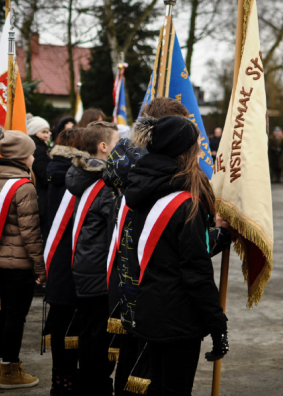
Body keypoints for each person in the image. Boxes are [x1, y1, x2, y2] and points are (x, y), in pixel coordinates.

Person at [125, 116, 228, 396]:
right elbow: (196, 272)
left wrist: (218, 235)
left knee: (157, 387)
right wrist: (218, 325)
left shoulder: (143, 186)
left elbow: (167, 249)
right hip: (178, 318)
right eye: (196, 145)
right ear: (184, 151)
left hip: (148, 309)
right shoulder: (185, 203)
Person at [0, 126, 45, 389]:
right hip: (19, 264)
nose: (34, 158)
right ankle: (10, 371)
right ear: (21, 157)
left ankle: (1, 365)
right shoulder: (24, 187)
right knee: (16, 318)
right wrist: (40, 268)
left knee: (4, 314)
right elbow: (31, 234)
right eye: (31, 154)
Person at [66, 121, 119, 395]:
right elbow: (114, 237)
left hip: (84, 268)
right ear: (103, 147)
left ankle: (86, 386)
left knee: (88, 337)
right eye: (117, 144)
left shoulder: (82, 176)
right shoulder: (106, 185)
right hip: (100, 273)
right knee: (99, 342)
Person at [43, 128, 87, 395]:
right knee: (71, 328)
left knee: (60, 326)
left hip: (57, 261)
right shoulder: (75, 177)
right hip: (73, 262)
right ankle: (68, 382)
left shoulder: (54, 170)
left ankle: (59, 380)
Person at [26, 114, 52, 234]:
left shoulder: (36, 147)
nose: (47, 135)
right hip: (40, 195)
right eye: (43, 132)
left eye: (48, 132)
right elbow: (44, 176)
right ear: (34, 131)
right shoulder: (38, 150)